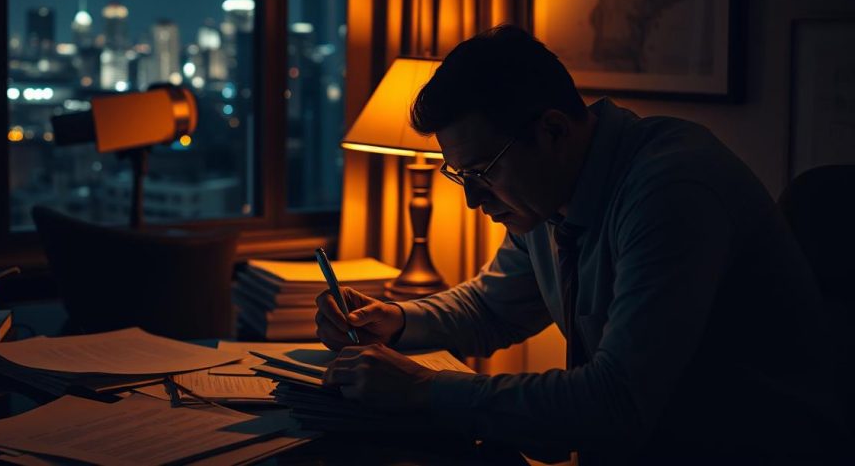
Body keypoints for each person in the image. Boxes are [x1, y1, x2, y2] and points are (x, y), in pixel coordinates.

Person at [315, 25, 847, 464]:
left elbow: (615, 401)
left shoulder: (672, 191)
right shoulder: (547, 198)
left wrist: (422, 389)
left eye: (483, 171)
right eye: (460, 176)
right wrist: (396, 320)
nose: (474, 199)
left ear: (553, 130)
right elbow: (492, 306)